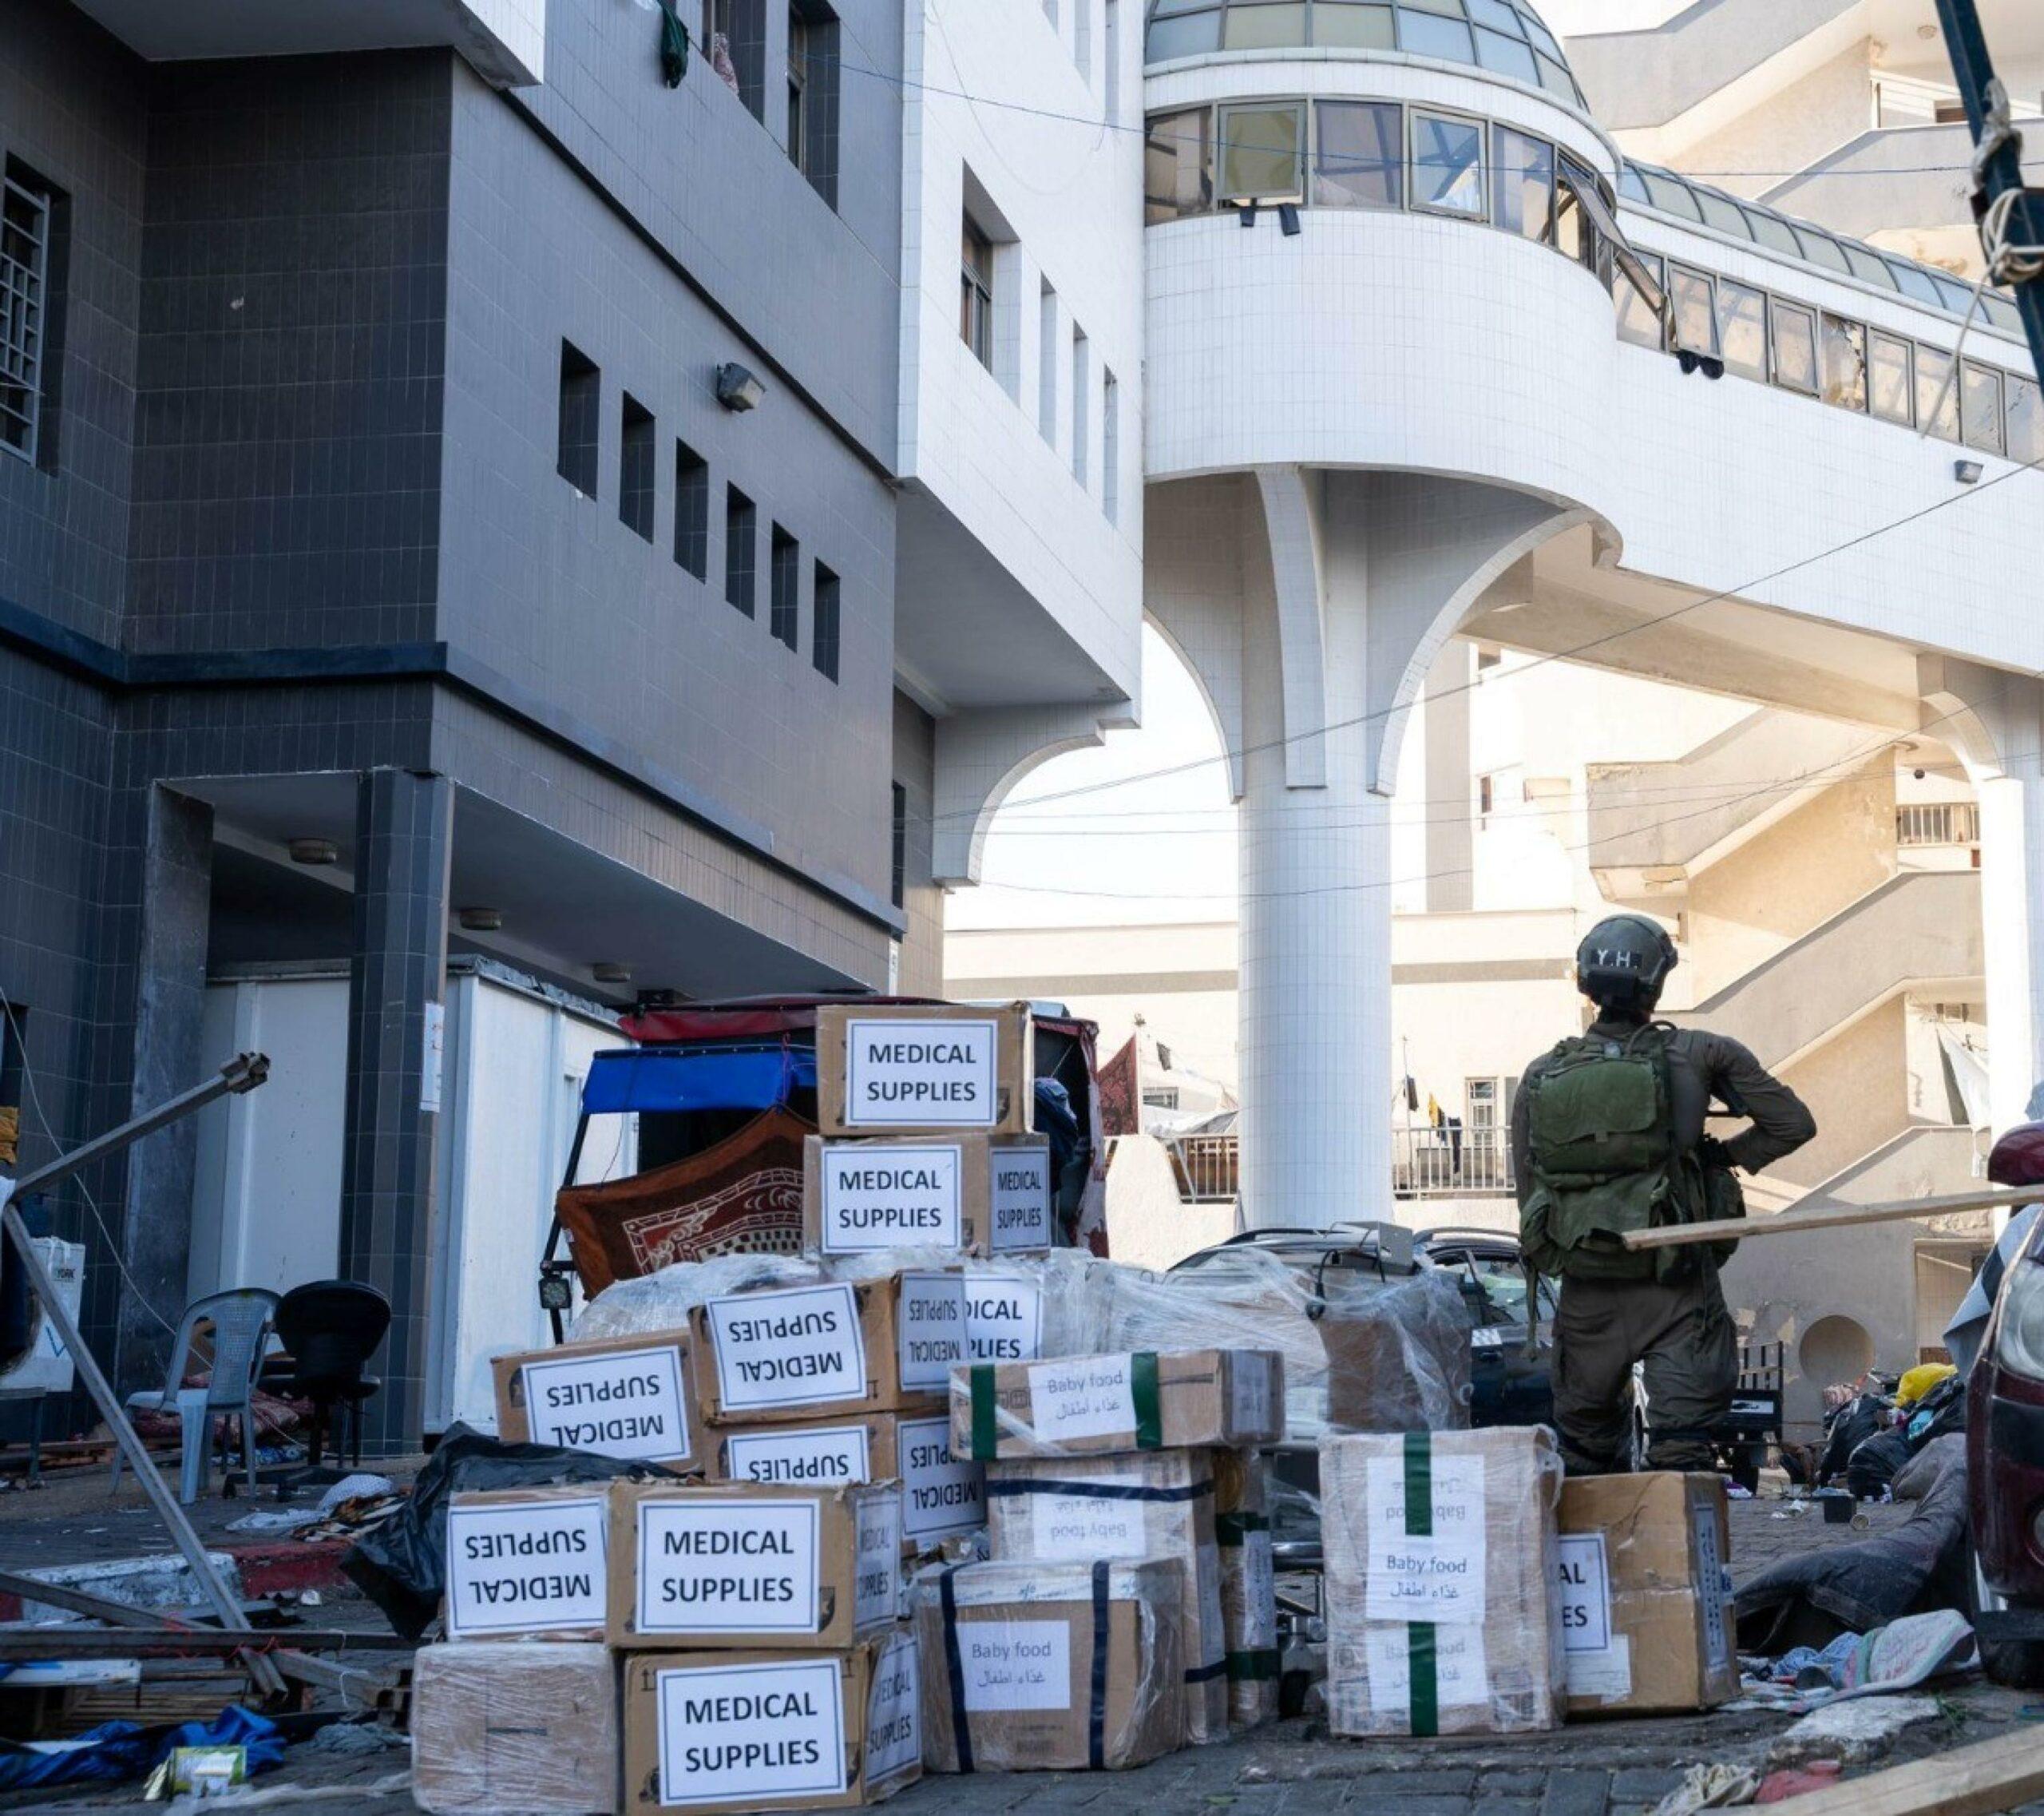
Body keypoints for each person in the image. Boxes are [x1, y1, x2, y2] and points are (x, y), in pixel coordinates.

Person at [1511, 914, 1816, 1474]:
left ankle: (1598, 1560)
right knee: (1682, 1457)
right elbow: (1792, 1124)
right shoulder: (1703, 1054)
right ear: (1657, 984)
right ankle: (1674, 1557)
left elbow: (1530, 1197)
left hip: (1588, 1293)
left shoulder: (1540, 1075)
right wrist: (1719, 1157)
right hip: (1678, 1286)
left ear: (1586, 981)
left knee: (1586, 1458)